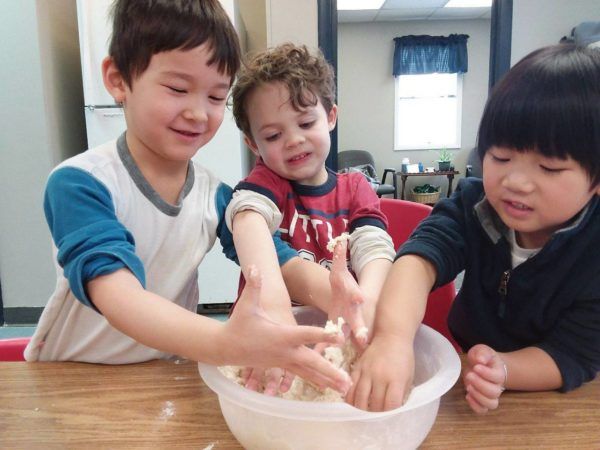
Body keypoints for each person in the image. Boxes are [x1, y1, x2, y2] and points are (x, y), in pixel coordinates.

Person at [23, 0, 351, 394]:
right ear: (118, 79)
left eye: (216, 98)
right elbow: (118, 295)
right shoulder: (81, 183)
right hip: (76, 379)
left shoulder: (216, 196)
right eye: (178, 89)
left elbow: (277, 262)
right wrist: (225, 343)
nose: (198, 113)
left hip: (166, 373)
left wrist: (345, 299)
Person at [347, 44, 600, 413]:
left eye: (548, 167)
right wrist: (392, 339)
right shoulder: (476, 205)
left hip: (549, 392)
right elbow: (418, 260)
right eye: (500, 157)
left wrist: (505, 369)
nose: (516, 181)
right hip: (466, 374)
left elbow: (572, 354)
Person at [226, 44, 395, 393]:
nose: (294, 140)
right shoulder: (266, 184)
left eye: (306, 122)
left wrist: (368, 305)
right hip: (267, 347)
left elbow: (374, 248)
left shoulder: (355, 188)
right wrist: (273, 308)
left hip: (337, 338)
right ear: (253, 143)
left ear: (331, 116)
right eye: (273, 135)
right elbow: (247, 218)